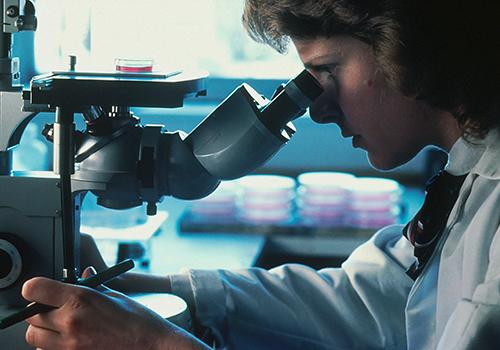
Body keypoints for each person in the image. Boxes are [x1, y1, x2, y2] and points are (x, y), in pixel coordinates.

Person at [22, 1, 500, 349]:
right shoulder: (468, 170)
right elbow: (374, 303)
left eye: (327, 70)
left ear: (405, 46)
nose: (318, 110)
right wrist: (150, 293)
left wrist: (153, 344)